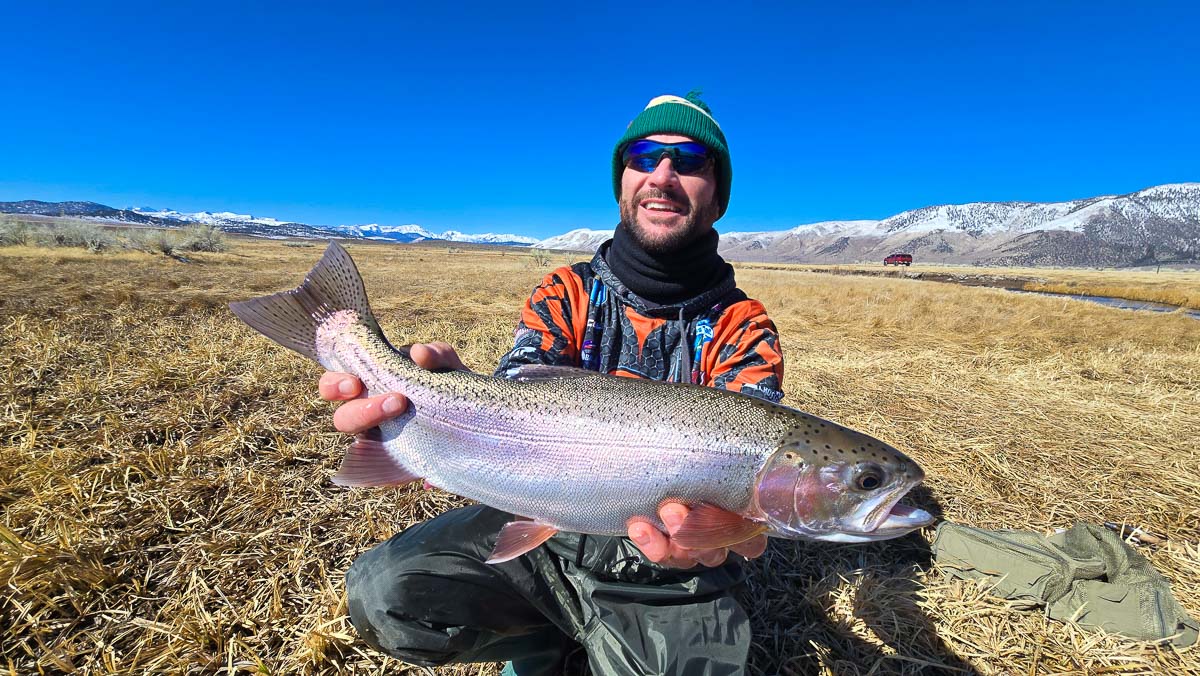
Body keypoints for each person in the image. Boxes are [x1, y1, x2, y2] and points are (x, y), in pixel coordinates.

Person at [320, 93, 786, 675]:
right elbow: (514, 395)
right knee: (384, 592)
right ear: (622, 183)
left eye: (690, 161)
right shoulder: (564, 291)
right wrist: (439, 404)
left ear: (718, 197)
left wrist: (726, 533)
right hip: (542, 527)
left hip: (668, 575)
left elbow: (744, 485)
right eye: (644, 157)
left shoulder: (744, 328)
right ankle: (541, 643)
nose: (662, 176)